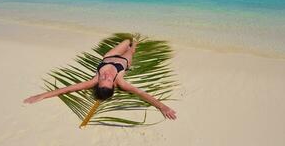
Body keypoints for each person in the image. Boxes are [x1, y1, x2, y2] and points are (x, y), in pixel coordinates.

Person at [23, 37, 177, 120]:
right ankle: (134, 43)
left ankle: (131, 40)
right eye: (108, 79)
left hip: (108, 57)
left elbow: (67, 88)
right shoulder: (121, 82)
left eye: (104, 78)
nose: (106, 76)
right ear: (114, 85)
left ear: (98, 83)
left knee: (124, 41)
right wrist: (162, 106)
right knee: (131, 47)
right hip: (125, 62)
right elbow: (142, 94)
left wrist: (42, 95)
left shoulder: (94, 80)